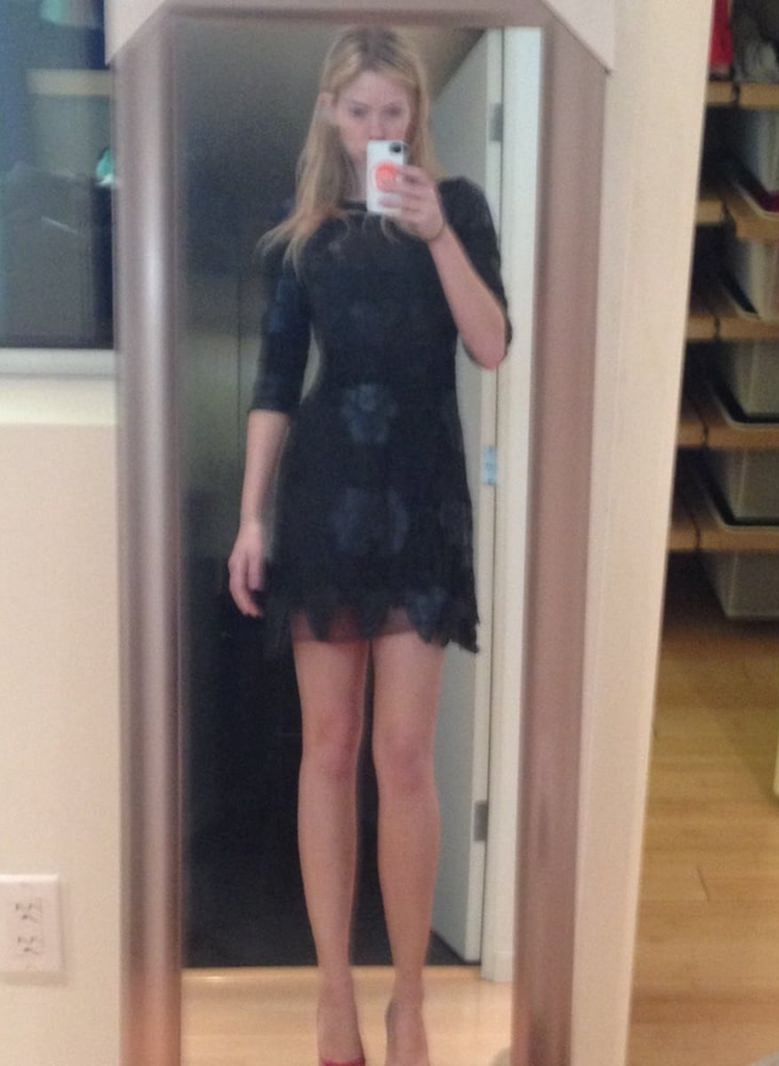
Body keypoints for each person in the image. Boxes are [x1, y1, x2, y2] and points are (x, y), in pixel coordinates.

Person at [227, 24, 511, 1066]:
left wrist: (436, 235)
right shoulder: (303, 234)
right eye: (361, 112)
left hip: (420, 504)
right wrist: (252, 516)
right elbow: (274, 383)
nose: (378, 128)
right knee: (330, 748)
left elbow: (491, 344)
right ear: (331, 116)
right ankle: (333, 994)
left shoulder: (459, 207)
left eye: (396, 111)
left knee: (403, 756)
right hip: (323, 501)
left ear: (416, 115)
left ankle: (410, 1003)